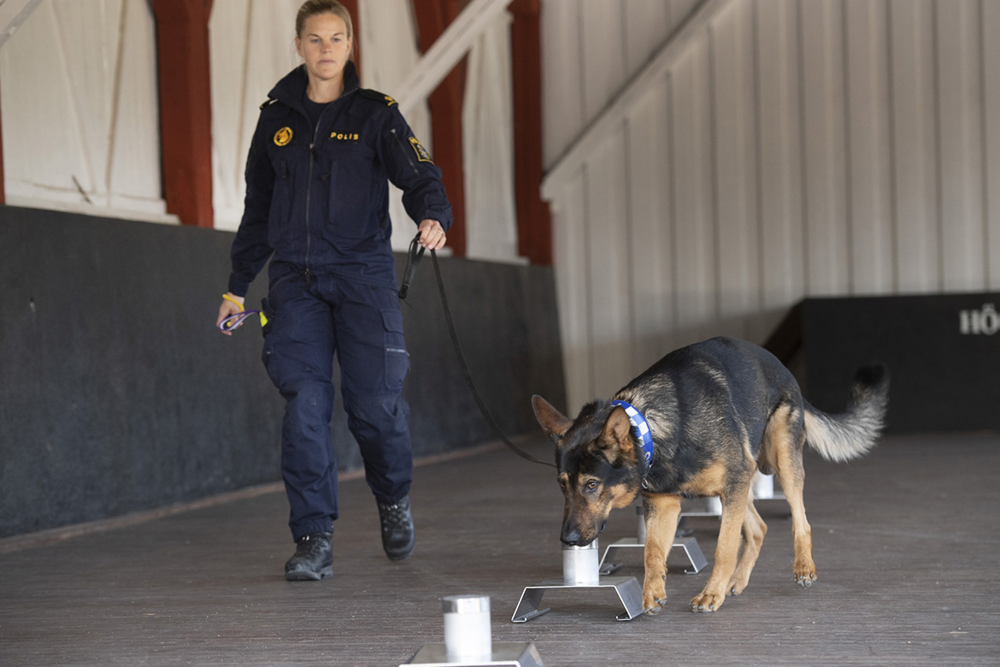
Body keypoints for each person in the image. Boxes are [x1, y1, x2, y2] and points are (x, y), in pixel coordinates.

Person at [216, 0, 451, 581]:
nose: (326, 49)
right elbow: (257, 211)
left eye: (337, 38)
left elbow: (419, 174)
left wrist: (432, 215)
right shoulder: (276, 119)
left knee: (374, 408)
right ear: (299, 45)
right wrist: (236, 287)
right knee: (306, 407)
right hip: (295, 282)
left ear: (350, 46)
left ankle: (392, 498)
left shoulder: (377, 114)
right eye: (315, 39)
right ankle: (313, 538)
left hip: (364, 279)